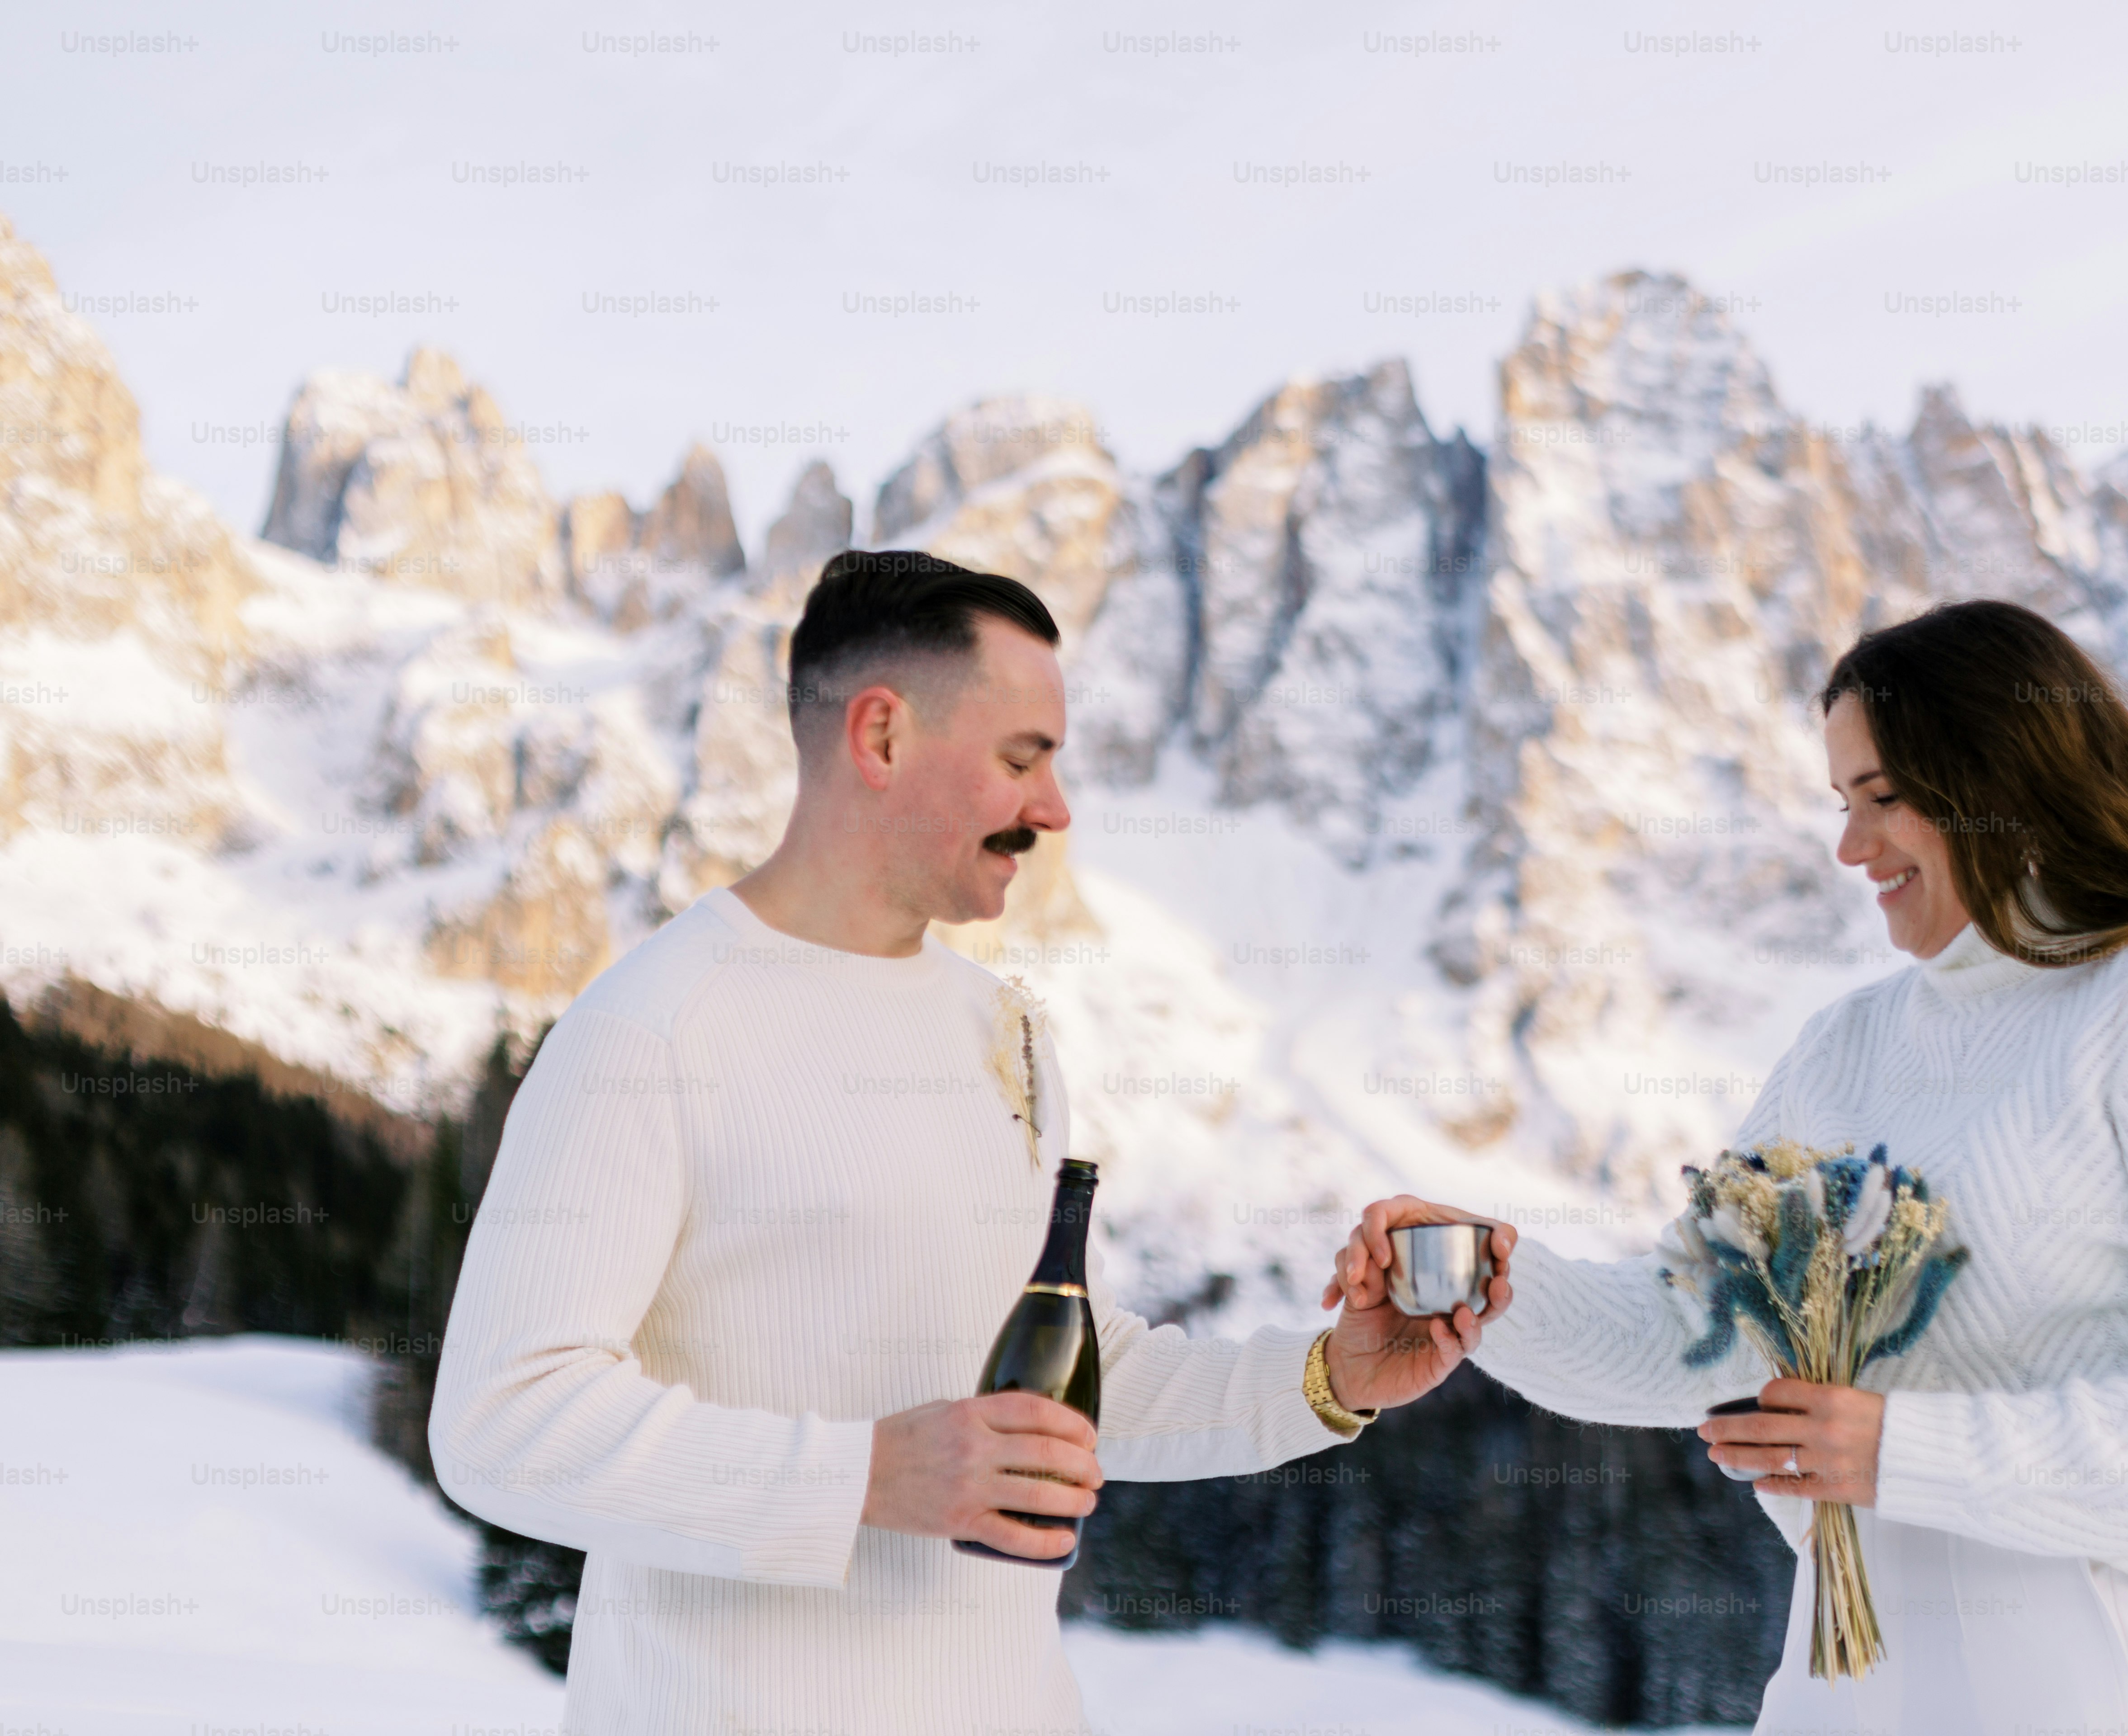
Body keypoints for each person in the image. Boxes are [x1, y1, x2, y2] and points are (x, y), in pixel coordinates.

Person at [430, 551, 1507, 1736]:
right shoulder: (653, 1027)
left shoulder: (1006, 1029)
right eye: (1020, 760)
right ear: (882, 737)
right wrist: (864, 1480)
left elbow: (1060, 1394)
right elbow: (504, 1422)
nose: (1055, 811)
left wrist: (1331, 1375)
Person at [1328, 599, 2128, 1735]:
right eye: (1842, 804)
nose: (1850, 847)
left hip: (2111, 1665)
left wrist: (1908, 1452)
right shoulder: (1849, 1048)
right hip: (1849, 1675)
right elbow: (1693, 1331)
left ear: (2006, 778)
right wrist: (1486, 1280)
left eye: (1885, 798)